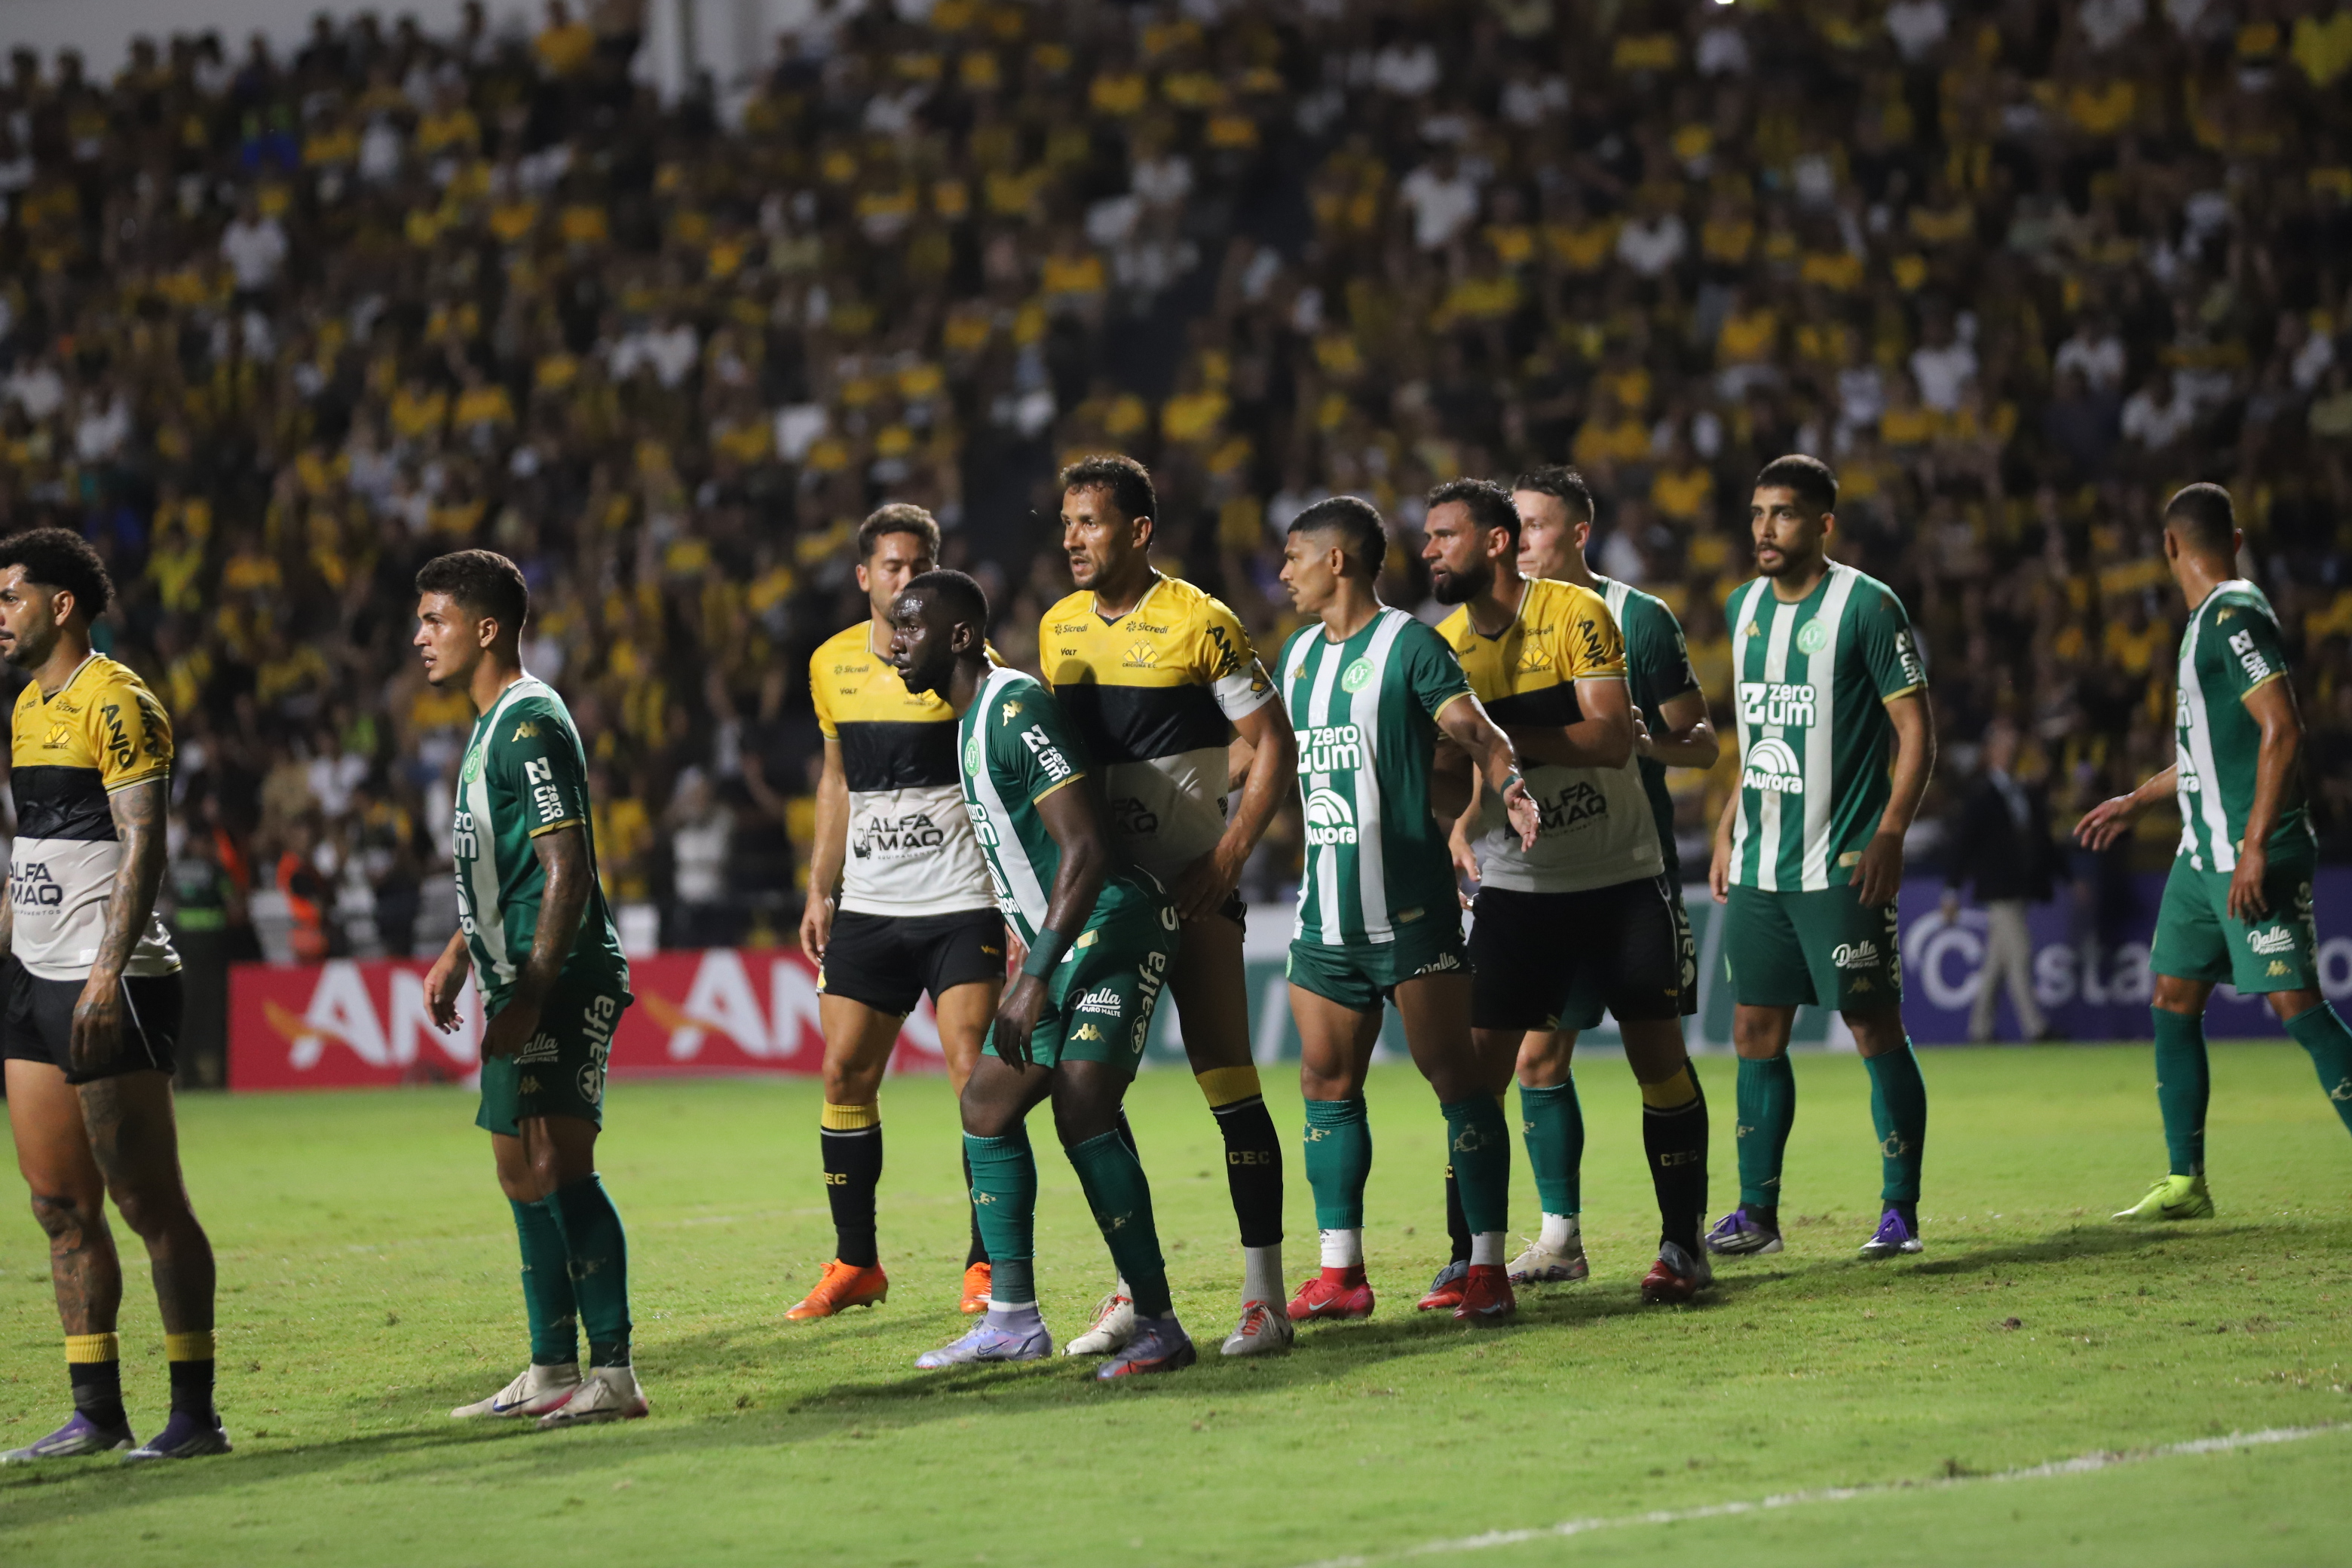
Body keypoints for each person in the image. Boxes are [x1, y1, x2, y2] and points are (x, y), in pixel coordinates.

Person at [891, 568, 1195, 1378]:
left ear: (960, 635)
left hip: (1114, 928)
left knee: (1082, 1102)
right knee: (986, 1104)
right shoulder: (966, 724)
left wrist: (1032, 974)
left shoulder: (1013, 705)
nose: (895, 642)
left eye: (911, 626)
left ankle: (1159, 1321)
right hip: (1064, 946)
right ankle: (1012, 1317)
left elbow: (1087, 847)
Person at [1426, 475, 1717, 1309]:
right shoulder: (1441, 645)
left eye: (1444, 536)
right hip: (1516, 889)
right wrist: (1446, 777)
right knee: (1479, 1077)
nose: (1429, 553)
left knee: (1656, 1060)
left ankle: (1681, 1244)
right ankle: (1471, 1258)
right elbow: (1454, 791)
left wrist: (1493, 742)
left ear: (1494, 542)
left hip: (1620, 876)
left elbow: (1607, 736)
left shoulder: (1579, 615)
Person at [1038, 455, 1299, 1358]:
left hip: (1190, 890)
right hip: (1104, 903)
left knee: (1228, 1081)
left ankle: (1265, 1300)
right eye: (1066, 522)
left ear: (1139, 531)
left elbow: (1272, 744)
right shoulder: (1058, 629)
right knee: (1092, 1097)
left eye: (1090, 522)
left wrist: (1225, 860)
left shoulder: (1202, 623)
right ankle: (1135, 1290)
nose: (1072, 538)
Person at [1273, 495, 1541, 1328]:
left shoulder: (1411, 647)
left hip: (1410, 910)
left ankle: (1488, 1265)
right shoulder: (1296, 658)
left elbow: (1480, 734)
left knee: (1456, 1079)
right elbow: (1272, 755)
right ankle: (1340, 1271)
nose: (1283, 572)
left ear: (1338, 561)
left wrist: (1511, 782)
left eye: (1293, 557)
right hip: (1324, 918)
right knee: (1324, 1081)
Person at [0, 528, 228, 1463]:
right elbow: (35, 848)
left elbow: (144, 842)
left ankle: (193, 1416)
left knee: (146, 1201)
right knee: (58, 1203)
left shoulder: (121, 700)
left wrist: (101, 971)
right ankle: (96, 1411)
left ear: (61, 605)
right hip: (32, 980)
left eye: (9, 595)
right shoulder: (23, 706)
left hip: (114, 981)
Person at [2075, 483, 2352, 1220]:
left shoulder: (2234, 615)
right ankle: (2186, 1180)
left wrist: (2256, 844)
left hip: (2248, 849)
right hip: (2201, 858)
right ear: (2232, 538)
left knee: (2298, 1007)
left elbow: (2282, 729)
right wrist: (2138, 799)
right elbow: (2206, 752)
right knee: (2172, 996)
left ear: (2170, 547)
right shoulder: (2207, 622)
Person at [415, 550, 645, 1429]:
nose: (419, 637)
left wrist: (534, 988)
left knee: (558, 1163)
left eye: (434, 620)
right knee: (519, 1169)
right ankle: (552, 1366)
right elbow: (502, 866)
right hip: (514, 972)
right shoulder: (486, 729)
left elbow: (566, 867)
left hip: (561, 974)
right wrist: (459, 955)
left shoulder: (528, 722)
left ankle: (614, 1372)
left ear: (485, 628)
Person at [1704, 455, 1940, 1262]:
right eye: (1758, 512)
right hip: (1764, 865)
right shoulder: (1740, 609)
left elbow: (1916, 730)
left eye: (1785, 514)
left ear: (1823, 525)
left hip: (1840, 862)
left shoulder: (1869, 608)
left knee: (1874, 1024)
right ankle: (1756, 1215)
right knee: (1753, 1029)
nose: (1766, 528)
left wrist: (1891, 831)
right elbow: (1757, 732)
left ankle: (1899, 1210)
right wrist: (1731, 822)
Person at [794, 504, 1005, 1319]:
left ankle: (987, 1265)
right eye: (891, 566)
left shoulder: (970, 664)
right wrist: (822, 887)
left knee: (973, 1077)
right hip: (872, 906)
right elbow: (836, 781)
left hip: (959, 901)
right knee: (845, 1072)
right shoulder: (830, 665)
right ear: (863, 577)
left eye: (919, 565)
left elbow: (996, 770)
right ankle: (856, 1264)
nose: (905, 579)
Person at [1940, 718, 2057, 1043]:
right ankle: (2035, 1027)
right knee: (2019, 954)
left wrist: (2067, 877)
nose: (2011, 752)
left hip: (2020, 888)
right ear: (1991, 751)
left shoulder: (2022, 791)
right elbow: (1961, 845)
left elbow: (2041, 841)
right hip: (1998, 890)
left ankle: (1979, 1029)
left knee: (1997, 963)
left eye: (2014, 746)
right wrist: (1951, 890)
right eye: (2005, 746)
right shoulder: (1981, 795)